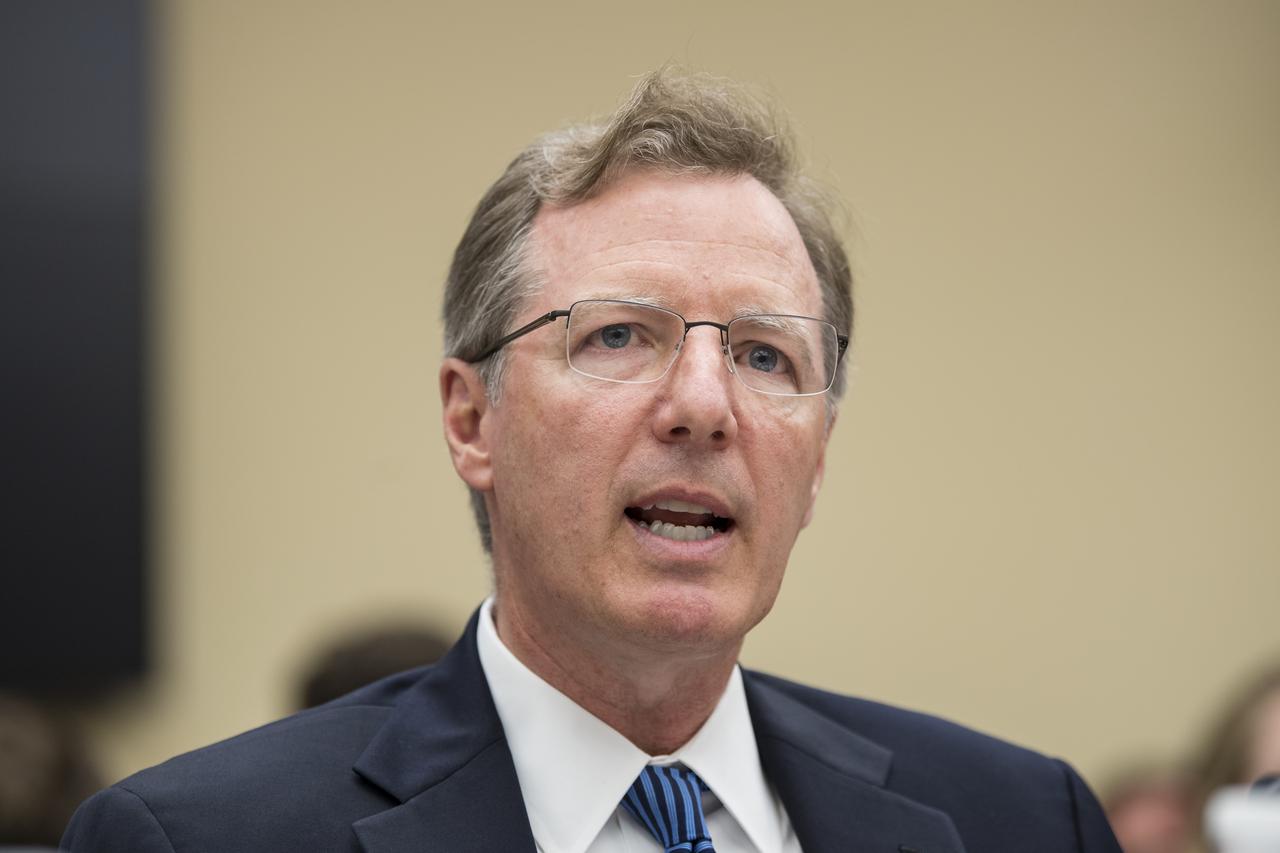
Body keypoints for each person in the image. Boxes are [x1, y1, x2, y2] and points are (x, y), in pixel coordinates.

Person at [62, 70, 1121, 852]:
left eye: (762, 354)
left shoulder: (1024, 821)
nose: (704, 407)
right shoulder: (195, 840)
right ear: (472, 420)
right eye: (617, 335)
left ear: (818, 453)